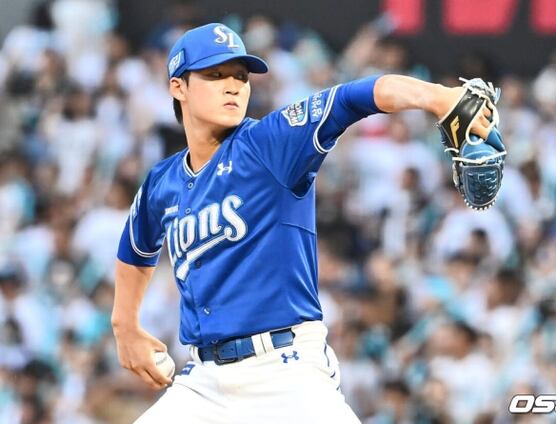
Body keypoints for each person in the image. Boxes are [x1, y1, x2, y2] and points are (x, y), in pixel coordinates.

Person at [111, 22, 496, 423]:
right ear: (178, 87)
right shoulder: (163, 181)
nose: (232, 86)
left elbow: (352, 98)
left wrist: (437, 96)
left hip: (285, 370)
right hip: (203, 381)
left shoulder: (269, 143)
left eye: (240, 76)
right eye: (215, 75)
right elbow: (136, 248)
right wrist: (125, 325)